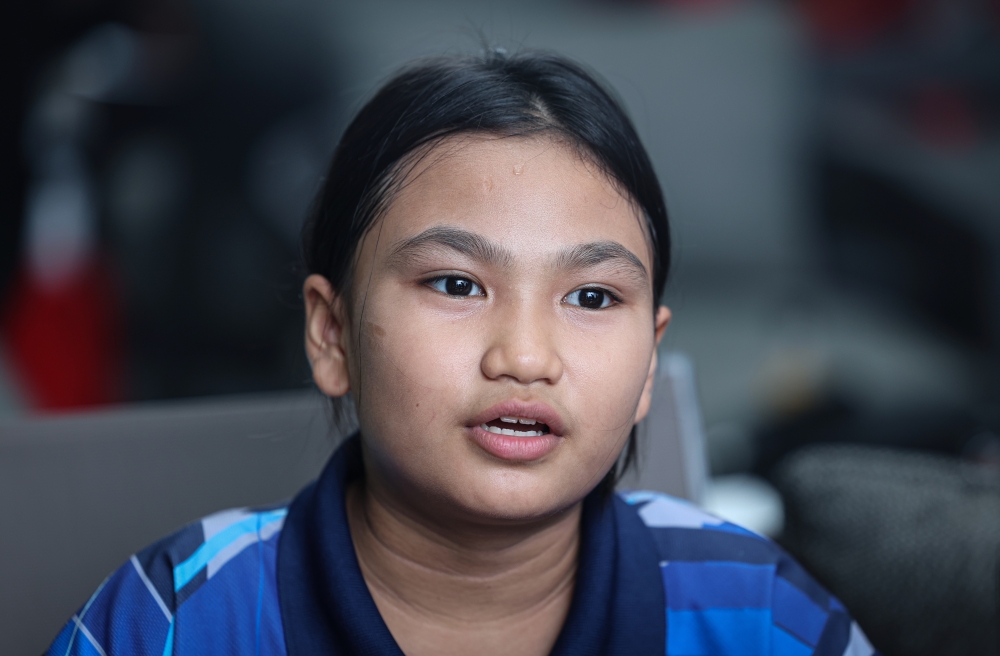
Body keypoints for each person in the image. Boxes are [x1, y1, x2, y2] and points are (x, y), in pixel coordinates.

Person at [47, 50, 878, 656]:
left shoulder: (759, 614)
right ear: (330, 335)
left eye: (592, 297)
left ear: (648, 366)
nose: (525, 356)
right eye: (456, 284)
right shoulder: (176, 621)